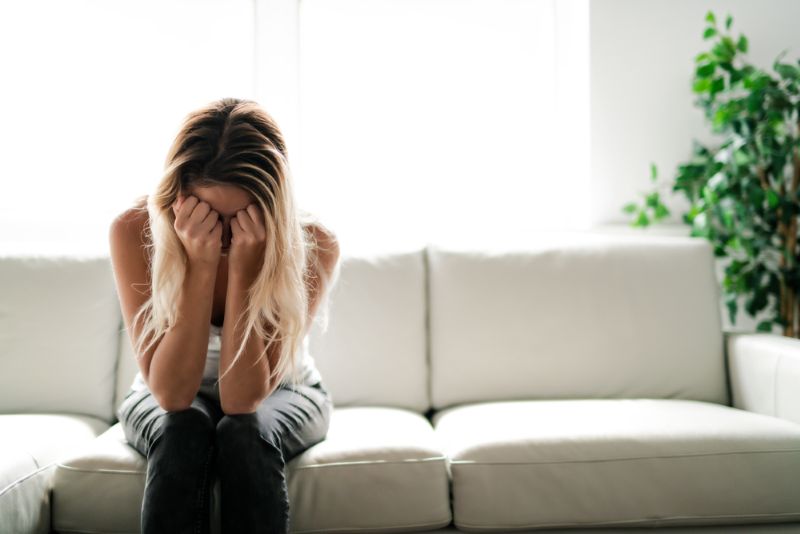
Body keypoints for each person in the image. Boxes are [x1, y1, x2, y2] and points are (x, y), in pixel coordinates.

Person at [109, 97, 339, 534]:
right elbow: (172, 396)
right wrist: (200, 265)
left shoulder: (314, 242)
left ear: (272, 207)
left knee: (243, 433)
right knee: (183, 428)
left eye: (242, 217)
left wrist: (246, 273)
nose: (226, 232)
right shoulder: (134, 229)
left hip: (283, 389)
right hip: (162, 388)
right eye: (208, 215)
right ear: (178, 199)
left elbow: (241, 401)